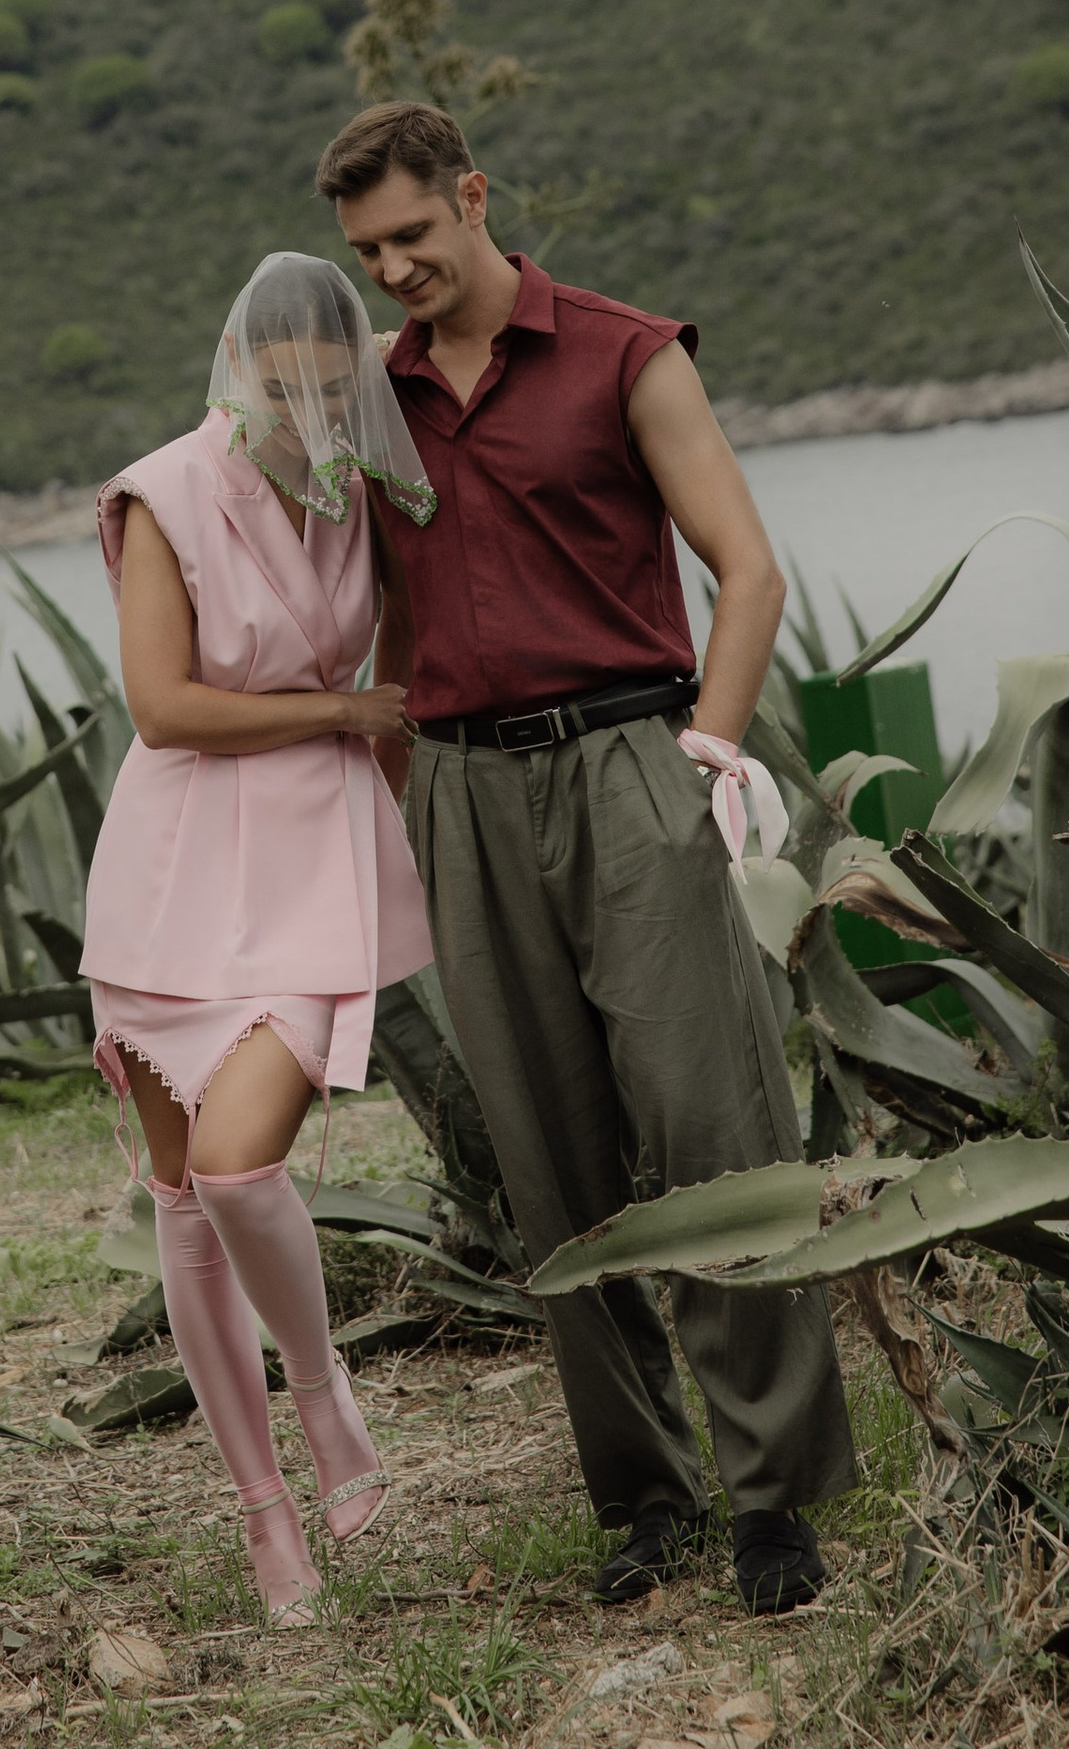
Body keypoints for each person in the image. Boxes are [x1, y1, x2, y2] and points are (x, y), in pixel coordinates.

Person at [315, 95, 856, 1613]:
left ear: (475, 197)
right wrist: (410, 783)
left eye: (413, 235)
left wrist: (712, 753)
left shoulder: (627, 351)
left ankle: (777, 1502)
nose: (396, 269)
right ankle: (644, 1502)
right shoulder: (376, 401)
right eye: (367, 254)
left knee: (710, 1124)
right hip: (464, 791)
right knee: (552, 1162)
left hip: (635, 761)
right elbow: (386, 621)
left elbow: (746, 571)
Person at [81, 250, 437, 1626]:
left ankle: (326, 1394)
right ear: (243, 361)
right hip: (173, 868)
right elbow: (164, 709)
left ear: (356, 366)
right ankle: (265, 1520)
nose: (306, 397)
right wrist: (348, 719)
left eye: (330, 373)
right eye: (282, 373)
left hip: (312, 866)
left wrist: (401, 840)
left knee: (239, 1175)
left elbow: (407, 676)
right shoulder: (163, 491)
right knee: (181, 1206)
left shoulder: (377, 494)